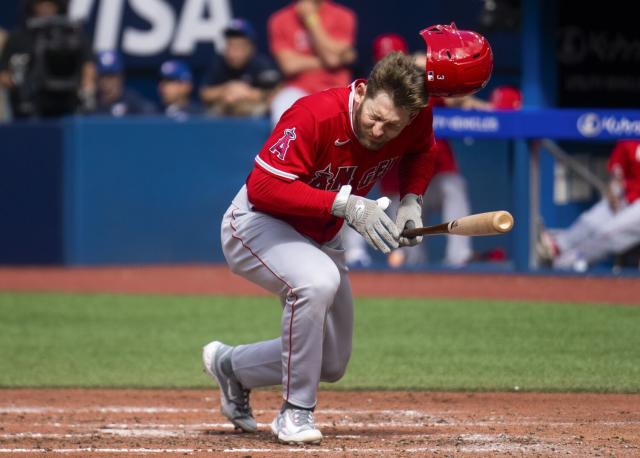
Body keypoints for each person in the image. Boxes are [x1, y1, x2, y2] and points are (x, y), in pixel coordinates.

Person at [201, 23, 492, 445]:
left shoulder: (413, 119)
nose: (379, 131)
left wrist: (412, 200)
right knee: (317, 282)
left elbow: (422, 150)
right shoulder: (314, 114)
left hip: (320, 233)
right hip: (256, 223)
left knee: (332, 360)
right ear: (365, 91)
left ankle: (232, 367)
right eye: (375, 118)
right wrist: (344, 204)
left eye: (391, 127)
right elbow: (265, 188)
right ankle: (295, 413)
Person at [537, 140, 640, 272]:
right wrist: (615, 191)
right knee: (590, 221)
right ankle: (557, 246)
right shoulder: (630, 135)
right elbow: (617, 173)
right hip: (628, 197)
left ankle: (566, 263)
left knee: (608, 233)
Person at [0, 0, 96, 118]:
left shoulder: (72, 34)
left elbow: (88, 66)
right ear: (32, 5)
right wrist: (19, 82)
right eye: (41, 3)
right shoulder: (18, 37)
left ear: (58, 6)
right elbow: (3, 74)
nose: (45, 8)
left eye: (50, 4)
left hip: (68, 104)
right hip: (26, 108)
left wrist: (87, 91)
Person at [268, 0, 357, 126]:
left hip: (336, 88)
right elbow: (289, 66)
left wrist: (311, 19)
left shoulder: (343, 15)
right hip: (298, 89)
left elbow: (330, 58)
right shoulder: (280, 19)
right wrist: (335, 59)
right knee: (282, 108)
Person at [200, 18, 280, 117]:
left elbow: (277, 92)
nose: (232, 52)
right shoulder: (219, 62)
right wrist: (227, 89)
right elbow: (205, 93)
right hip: (225, 114)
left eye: (238, 47)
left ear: (250, 47)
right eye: (229, 46)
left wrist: (248, 93)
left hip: (255, 116)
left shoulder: (262, 64)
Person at [93, 50, 156, 117]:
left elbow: (153, 117)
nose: (105, 80)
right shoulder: (91, 101)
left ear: (121, 76)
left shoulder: (133, 103)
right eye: (102, 76)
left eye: (110, 76)